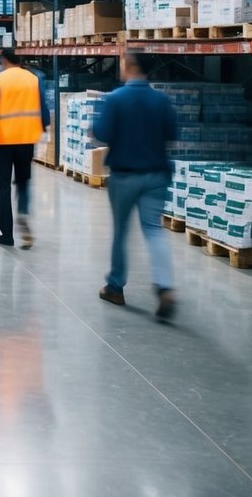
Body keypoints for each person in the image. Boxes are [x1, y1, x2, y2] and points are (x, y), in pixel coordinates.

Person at [92, 50, 178, 320]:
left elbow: (101, 135)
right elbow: (172, 135)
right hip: (156, 175)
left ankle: (115, 287)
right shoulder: (161, 100)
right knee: (154, 230)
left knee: (121, 231)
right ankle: (164, 286)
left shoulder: (115, 99)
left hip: (125, 176)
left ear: (129, 66)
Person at [0, 48, 50, 249]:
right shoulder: (34, 79)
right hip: (27, 138)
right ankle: (23, 215)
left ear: (4, 60)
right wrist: (44, 127)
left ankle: (7, 234)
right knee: (23, 182)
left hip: (3, 139)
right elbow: (43, 108)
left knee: (3, 186)